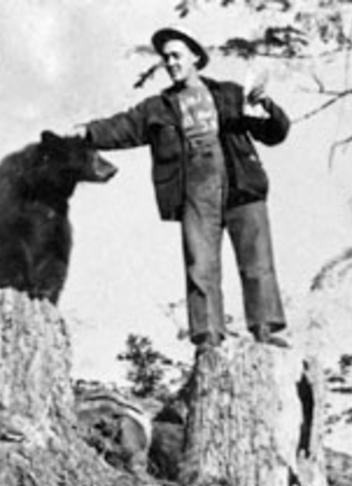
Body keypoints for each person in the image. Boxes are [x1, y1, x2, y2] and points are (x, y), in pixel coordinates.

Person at [81, 26, 290, 351]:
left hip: (241, 182)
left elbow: (275, 133)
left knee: (256, 258)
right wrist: (86, 134)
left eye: (176, 56)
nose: (171, 63)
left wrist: (266, 105)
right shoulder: (157, 107)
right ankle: (208, 337)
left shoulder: (231, 94)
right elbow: (123, 127)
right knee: (200, 264)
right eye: (166, 58)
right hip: (195, 187)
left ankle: (265, 329)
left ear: (195, 57)